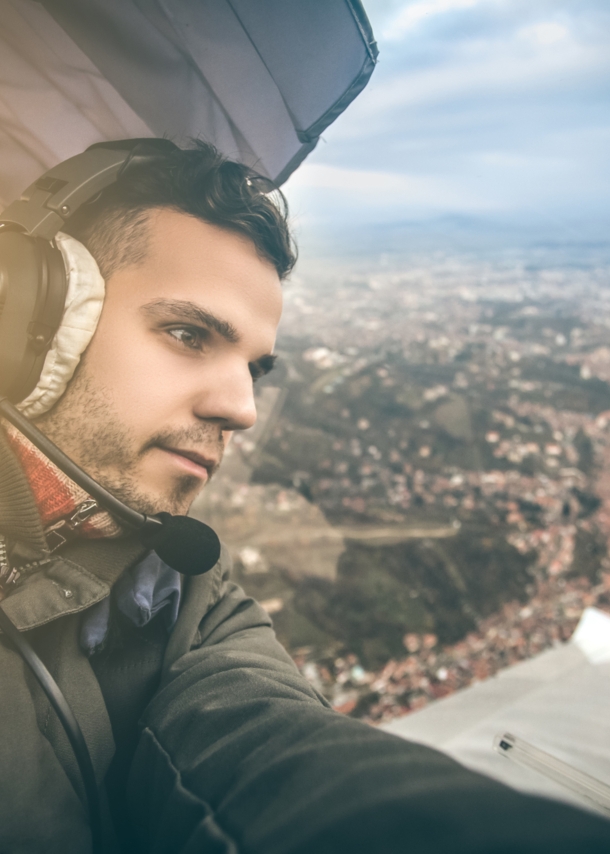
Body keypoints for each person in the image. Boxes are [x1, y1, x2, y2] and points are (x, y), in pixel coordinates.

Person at [0, 140, 609, 854]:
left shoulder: (177, 594)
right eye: (188, 333)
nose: (242, 408)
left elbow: (269, 751)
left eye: (255, 369)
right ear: (27, 323)